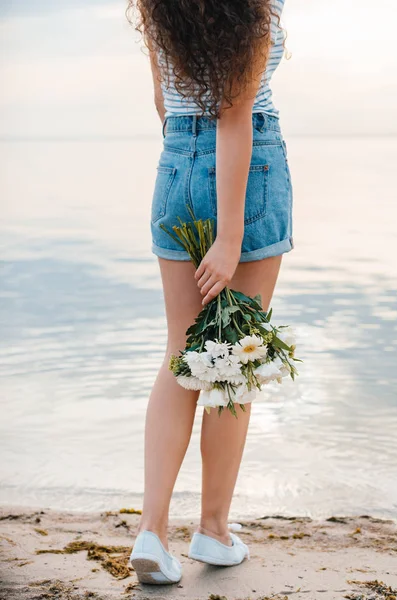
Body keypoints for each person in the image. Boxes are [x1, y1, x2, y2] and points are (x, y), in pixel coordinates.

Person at [128, 0, 293, 585]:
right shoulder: (255, 9)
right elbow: (234, 113)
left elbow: (163, 103)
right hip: (248, 172)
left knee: (181, 353)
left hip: (174, 163)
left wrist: (189, 167)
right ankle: (214, 531)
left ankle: (152, 530)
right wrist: (228, 236)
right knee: (231, 362)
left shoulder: (159, 7)